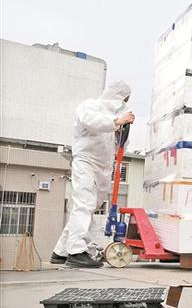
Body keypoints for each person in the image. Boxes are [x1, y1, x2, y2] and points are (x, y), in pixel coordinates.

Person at [51, 81, 134, 268]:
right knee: (84, 204)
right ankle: (76, 252)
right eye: (124, 99)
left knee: (87, 208)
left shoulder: (115, 117)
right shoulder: (90, 106)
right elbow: (91, 122)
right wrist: (116, 122)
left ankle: (60, 251)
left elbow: (120, 146)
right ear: (117, 95)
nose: (125, 103)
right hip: (86, 162)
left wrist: (121, 130)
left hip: (104, 167)